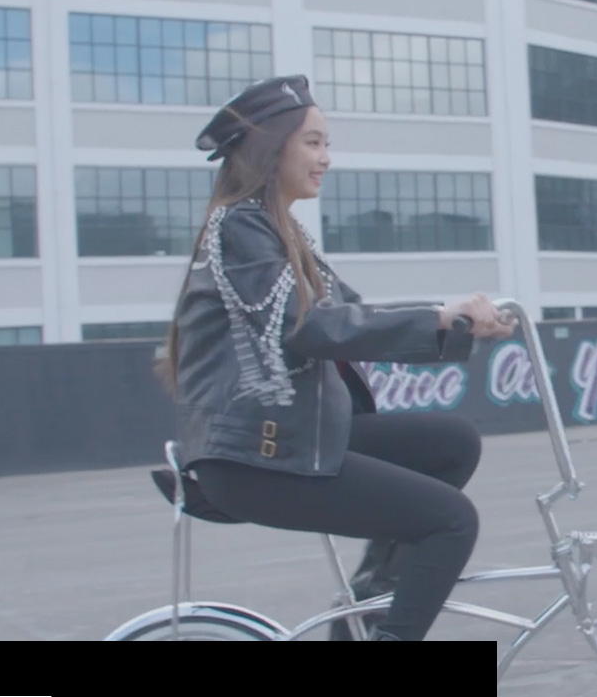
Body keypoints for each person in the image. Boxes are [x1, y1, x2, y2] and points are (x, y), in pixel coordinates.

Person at [155, 75, 517, 641]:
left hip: (287, 436)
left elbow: (354, 315)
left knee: (452, 443)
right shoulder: (240, 227)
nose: (326, 158)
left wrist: (456, 321)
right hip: (254, 456)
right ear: (271, 147)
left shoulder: (277, 230)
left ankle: (368, 609)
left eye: (327, 144)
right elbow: (312, 327)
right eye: (314, 142)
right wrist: (442, 318)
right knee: (451, 521)